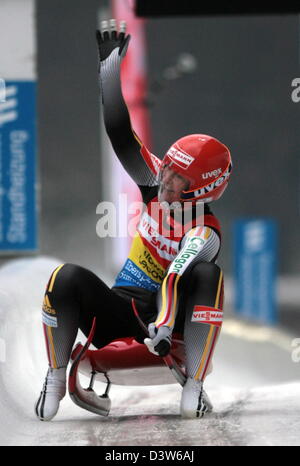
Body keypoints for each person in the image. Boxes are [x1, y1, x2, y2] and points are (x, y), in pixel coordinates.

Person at [35, 19, 232, 421]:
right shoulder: (154, 182)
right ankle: (53, 376)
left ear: (202, 191)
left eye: (179, 180)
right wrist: (109, 69)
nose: (166, 183)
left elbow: (177, 276)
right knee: (64, 277)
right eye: (168, 171)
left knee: (209, 277)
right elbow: (119, 132)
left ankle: (193, 385)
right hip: (124, 310)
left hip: (169, 325)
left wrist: (161, 326)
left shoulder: (204, 232)